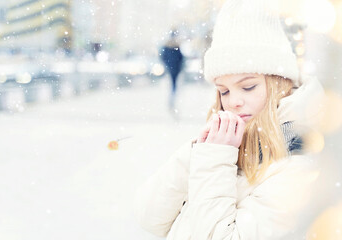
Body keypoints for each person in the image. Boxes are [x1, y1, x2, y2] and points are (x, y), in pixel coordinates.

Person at [134, 0, 325, 239]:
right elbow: (150, 218)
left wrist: (214, 160)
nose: (232, 102)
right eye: (223, 91)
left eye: (247, 87)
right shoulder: (229, 142)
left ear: (279, 82)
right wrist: (198, 153)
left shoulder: (298, 157)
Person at [160, 29, 184, 112]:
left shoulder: (167, 46)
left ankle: (171, 97)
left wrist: (167, 64)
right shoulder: (176, 46)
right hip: (175, 68)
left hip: (171, 67)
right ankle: (172, 96)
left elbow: (163, 56)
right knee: (174, 83)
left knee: (172, 83)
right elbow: (181, 57)